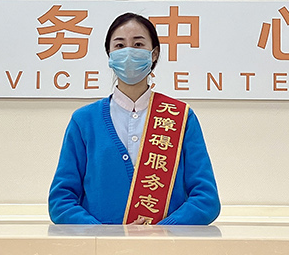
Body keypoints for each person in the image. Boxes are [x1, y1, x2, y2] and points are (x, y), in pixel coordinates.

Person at [48, 12, 220, 226]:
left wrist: (163, 231)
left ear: (154, 54)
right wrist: (107, 235)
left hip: (167, 245)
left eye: (138, 44)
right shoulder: (84, 121)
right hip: (100, 246)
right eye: (120, 46)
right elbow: (61, 201)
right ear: (110, 55)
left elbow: (206, 200)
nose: (128, 52)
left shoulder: (181, 117)